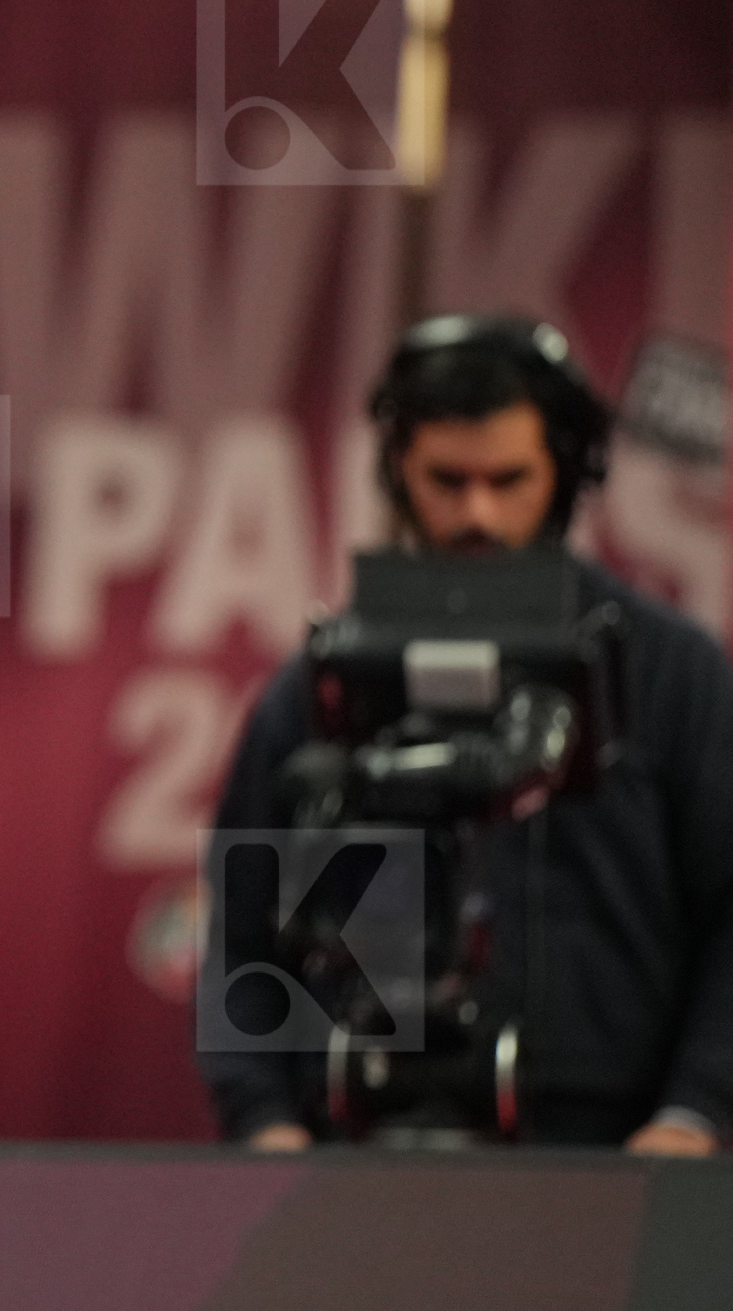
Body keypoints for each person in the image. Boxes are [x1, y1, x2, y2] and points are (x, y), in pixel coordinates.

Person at [202, 316, 733, 1153]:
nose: (476, 512)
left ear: (564, 473)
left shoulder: (671, 675)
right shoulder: (320, 689)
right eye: (447, 480)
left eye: (508, 479)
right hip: (353, 1157)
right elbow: (241, 937)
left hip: (611, 1163)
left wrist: (692, 1115)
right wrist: (265, 1122)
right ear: (398, 471)